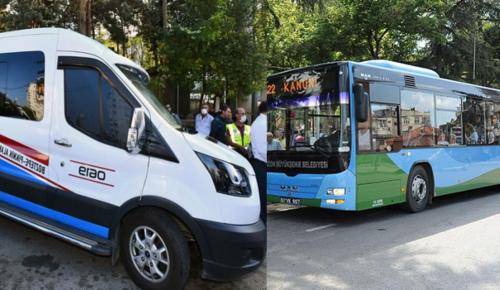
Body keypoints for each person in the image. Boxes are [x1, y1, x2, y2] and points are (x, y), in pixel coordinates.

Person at [250, 101, 267, 224]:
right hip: (261, 163)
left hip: (261, 162)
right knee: (262, 197)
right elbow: (262, 149)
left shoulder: (260, 122)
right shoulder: (261, 123)